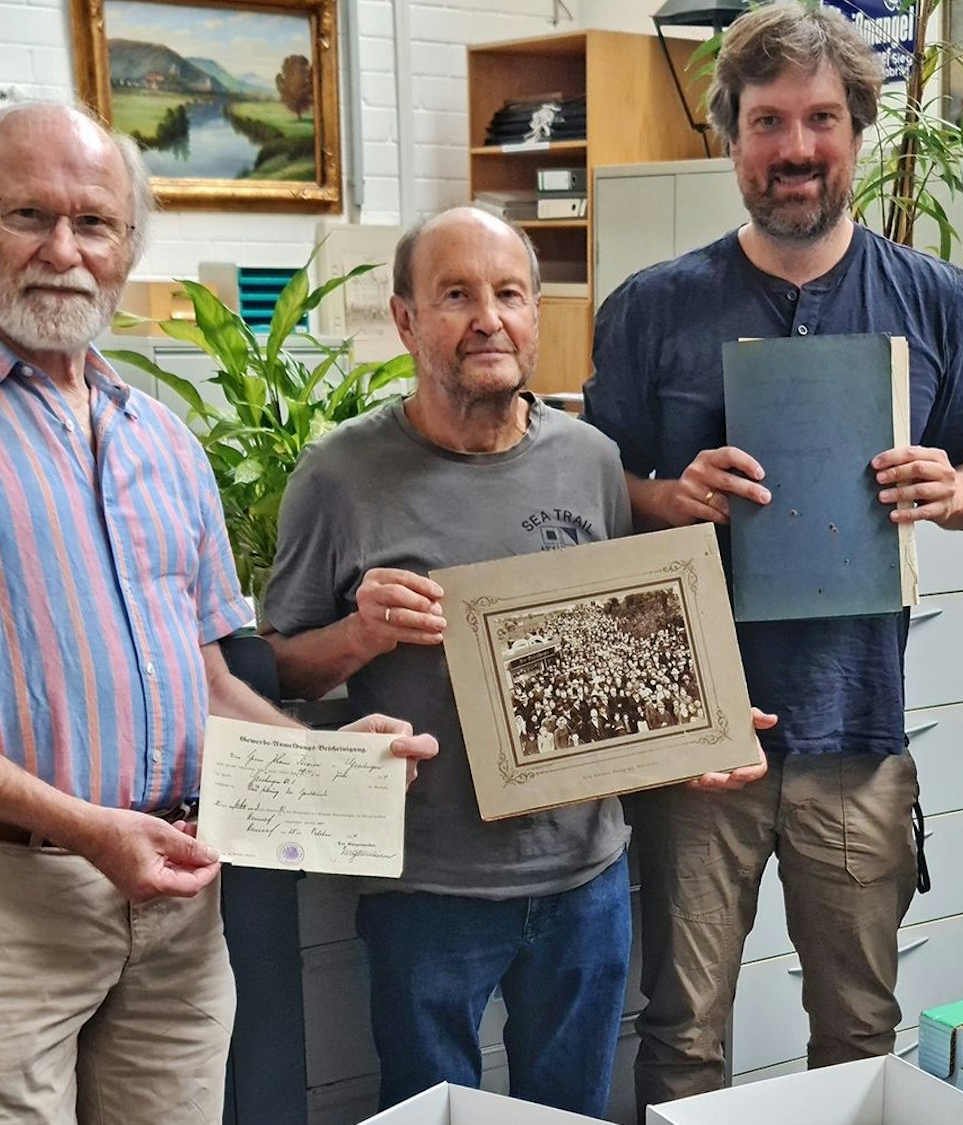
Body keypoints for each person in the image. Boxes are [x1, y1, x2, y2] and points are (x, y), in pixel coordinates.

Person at [0, 101, 437, 1124]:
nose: (64, 250)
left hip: (172, 903)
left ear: (128, 244)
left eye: (95, 223)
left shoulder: (160, 440)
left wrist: (327, 765)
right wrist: (83, 827)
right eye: (28, 215)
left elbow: (206, 683)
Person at [584, 3, 963, 1106]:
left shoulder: (931, 299)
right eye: (767, 120)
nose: (795, 146)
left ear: (858, 132)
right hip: (696, 737)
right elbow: (586, 494)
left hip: (857, 731)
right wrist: (666, 496)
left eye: (820, 118)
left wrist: (950, 488)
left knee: (859, 1027)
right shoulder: (651, 309)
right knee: (683, 1031)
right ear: (730, 136)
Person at [259, 207, 767, 1117]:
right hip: (428, 888)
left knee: (571, 1112)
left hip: (584, 879)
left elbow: (613, 654)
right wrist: (361, 635)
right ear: (407, 320)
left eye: (509, 294)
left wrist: (693, 729)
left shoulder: (592, 459)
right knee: (432, 1113)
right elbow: (275, 669)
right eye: (455, 295)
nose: (487, 319)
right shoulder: (338, 475)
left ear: (536, 315)